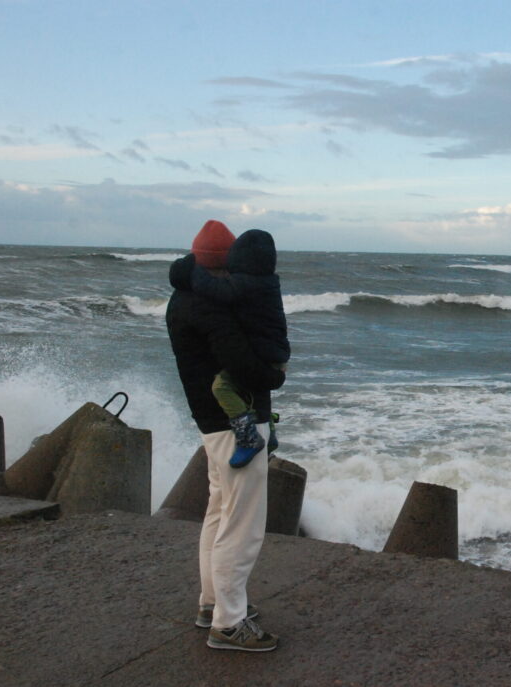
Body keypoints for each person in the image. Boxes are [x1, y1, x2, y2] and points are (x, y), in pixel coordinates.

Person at [166, 219, 286, 652]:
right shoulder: (211, 306)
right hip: (235, 424)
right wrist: (274, 375)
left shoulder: (181, 299)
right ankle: (230, 623)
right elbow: (243, 364)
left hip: (208, 422)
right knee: (243, 525)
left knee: (218, 513)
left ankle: (212, 604)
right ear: (224, 264)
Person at [189, 228, 289, 468]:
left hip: (264, 355)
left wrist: (195, 271)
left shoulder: (246, 284)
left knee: (222, 386)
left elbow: (218, 291)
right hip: (275, 354)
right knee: (252, 391)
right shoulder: (268, 282)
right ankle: (270, 429)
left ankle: (247, 436)